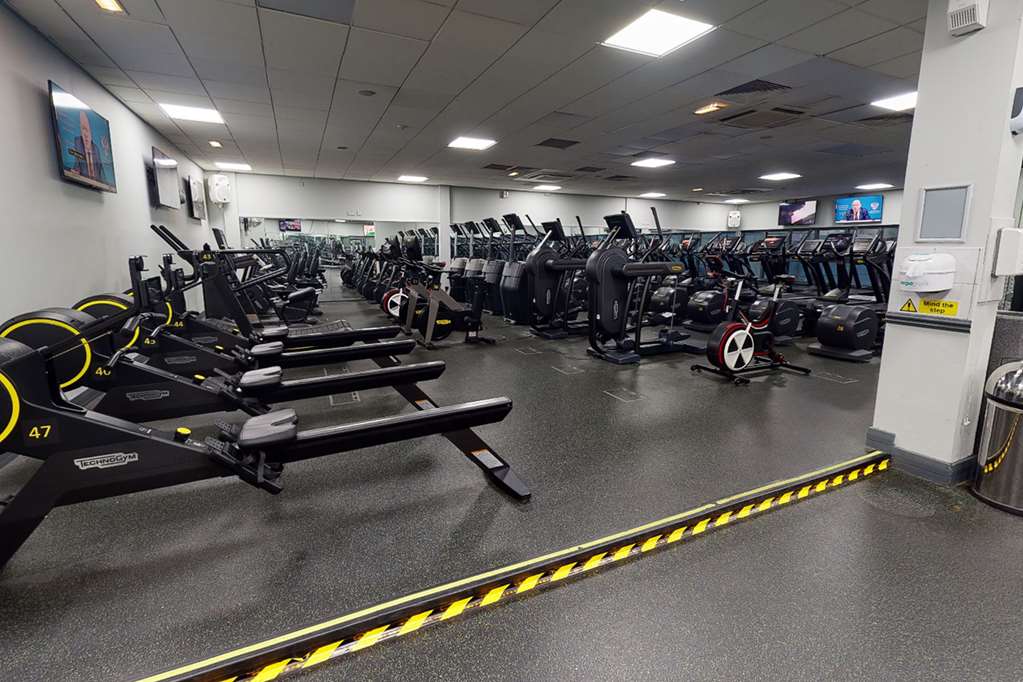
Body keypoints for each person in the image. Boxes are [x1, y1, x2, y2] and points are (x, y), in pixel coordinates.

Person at [72, 111, 109, 184]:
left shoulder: (96, 149)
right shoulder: (78, 143)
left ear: (91, 132)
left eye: (87, 130)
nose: (85, 134)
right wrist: (75, 173)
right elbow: (76, 166)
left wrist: (106, 151)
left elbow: (102, 172)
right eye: (83, 129)